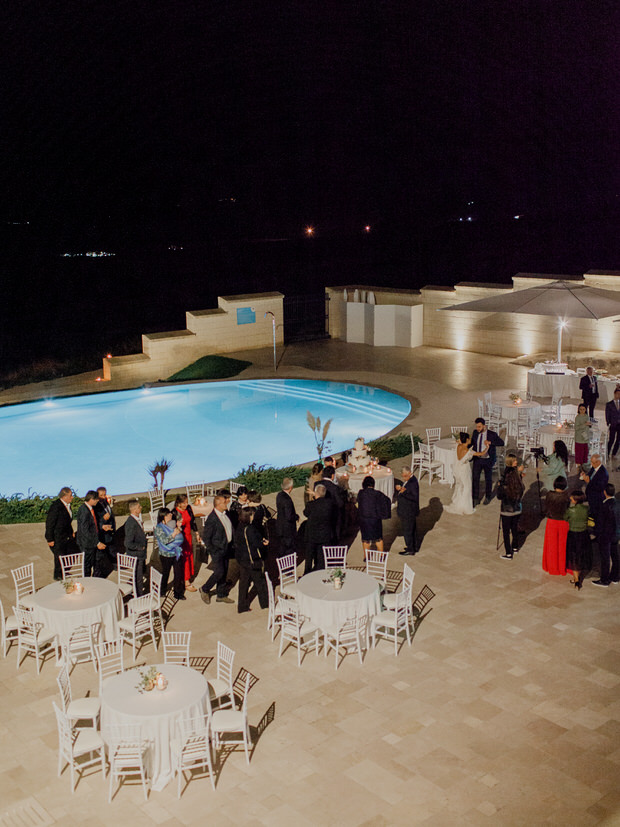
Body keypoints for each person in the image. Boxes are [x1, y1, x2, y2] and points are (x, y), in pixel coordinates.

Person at [200, 494, 235, 604]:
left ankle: (221, 594)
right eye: (225, 502)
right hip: (217, 550)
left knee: (224, 572)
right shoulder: (212, 519)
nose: (227, 503)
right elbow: (206, 537)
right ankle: (205, 588)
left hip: (226, 548)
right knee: (219, 572)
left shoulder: (225, 514)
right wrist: (213, 550)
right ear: (219, 504)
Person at [234, 507, 269, 613]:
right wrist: (264, 542)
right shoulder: (250, 529)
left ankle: (242, 606)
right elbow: (257, 544)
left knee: (243, 583)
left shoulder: (239, 526)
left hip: (242, 560)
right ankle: (265, 604)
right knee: (260, 582)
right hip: (252, 560)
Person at [303, 483, 337, 573]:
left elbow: (305, 513)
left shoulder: (311, 504)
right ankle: (320, 572)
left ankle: (307, 573)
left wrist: (313, 496)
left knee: (309, 556)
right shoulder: (329, 504)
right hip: (324, 534)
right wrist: (317, 494)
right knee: (322, 557)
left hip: (312, 535)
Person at [470, 417, 504, 505]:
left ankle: (488, 497)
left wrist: (490, 443)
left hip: (488, 460)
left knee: (488, 479)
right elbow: (472, 443)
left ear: (484, 426)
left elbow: (501, 443)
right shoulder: (475, 433)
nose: (477, 429)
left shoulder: (492, 434)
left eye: (479, 427)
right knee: (475, 478)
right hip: (478, 459)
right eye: (477, 427)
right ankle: (475, 498)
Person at [153, 507, 185, 600]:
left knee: (178, 573)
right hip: (166, 555)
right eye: (168, 514)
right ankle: (162, 590)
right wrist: (174, 534)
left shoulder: (172, 523)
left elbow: (178, 532)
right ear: (163, 517)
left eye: (170, 513)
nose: (170, 515)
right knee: (165, 573)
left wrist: (179, 528)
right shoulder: (159, 528)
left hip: (176, 553)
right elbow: (164, 541)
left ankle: (178, 593)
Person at [356, 475, 392, 557]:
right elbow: (387, 500)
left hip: (364, 520)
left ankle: (366, 556)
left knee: (365, 539)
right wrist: (383, 513)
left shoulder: (361, 493)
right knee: (378, 538)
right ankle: (381, 556)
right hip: (375, 519)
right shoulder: (377, 494)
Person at [498, 455, 525, 560]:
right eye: (514, 461)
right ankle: (515, 547)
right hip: (517, 507)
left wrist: (500, 486)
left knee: (506, 531)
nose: (516, 462)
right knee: (514, 528)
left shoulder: (506, 480)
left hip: (507, 509)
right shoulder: (517, 479)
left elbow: (500, 496)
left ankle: (508, 553)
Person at [592, 483, 619, 587]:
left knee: (605, 558)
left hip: (606, 536)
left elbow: (600, 523)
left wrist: (596, 534)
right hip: (616, 534)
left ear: (605, 492)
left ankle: (604, 580)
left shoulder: (604, 506)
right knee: (615, 555)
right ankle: (615, 577)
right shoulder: (618, 504)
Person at [45, 486, 75, 580]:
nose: (72, 497)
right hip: (57, 537)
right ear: (64, 496)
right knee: (59, 557)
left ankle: (63, 572)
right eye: (70, 495)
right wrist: (50, 539)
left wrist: (71, 532)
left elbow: (67, 522)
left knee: (66, 555)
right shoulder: (56, 507)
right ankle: (58, 576)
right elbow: (50, 523)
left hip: (65, 536)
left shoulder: (67, 506)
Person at [542, 477, 570, 576]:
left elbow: (545, 508)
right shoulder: (567, 496)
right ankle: (562, 567)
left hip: (552, 522)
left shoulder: (549, 495)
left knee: (552, 545)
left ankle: (552, 567)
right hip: (563, 523)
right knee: (563, 546)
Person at [171, 493, 197, 593]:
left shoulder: (188, 509)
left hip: (188, 536)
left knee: (190, 557)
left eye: (186, 502)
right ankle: (186, 581)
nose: (186, 504)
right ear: (179, 503)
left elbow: (193, 521)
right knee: (184, 559)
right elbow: (171, 528)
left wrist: (197, 533)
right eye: (184, 503)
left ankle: (187, 577)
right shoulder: (174, 513)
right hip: (181, 539)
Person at [564, 490, 590, 589]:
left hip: (573, 534)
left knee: (573, 556)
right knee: (581, 554)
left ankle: (576, 579)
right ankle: (578, 577)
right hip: (583, 534)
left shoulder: (570, 510)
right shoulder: (587, 509)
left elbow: (565, 518)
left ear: (575, 500)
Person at [76, 490, 106, 578]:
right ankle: (88, 582)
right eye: (97, 499)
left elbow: (92, 525)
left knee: (97, 562)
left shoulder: (89, 509)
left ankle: (96, 579)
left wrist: (102, 527)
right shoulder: (84, 511)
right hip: (87, 544)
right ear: (92, 499)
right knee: (87, 566)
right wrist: (97, 543)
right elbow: (85, 531)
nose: (98, 501)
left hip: (91, 542)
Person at [444, 433, 474, 515]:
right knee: (467, 486)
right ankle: (465, 506)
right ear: (467, 439)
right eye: (469, 438)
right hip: (465, 469)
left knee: (460, 485)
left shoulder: (459, 446)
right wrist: (486, 449)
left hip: (459, 469)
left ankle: (458, 503)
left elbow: (459, 443)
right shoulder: (467, 450)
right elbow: (480, 453)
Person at [124, 498, 148, 595]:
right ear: (134, 510)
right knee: (138, 577)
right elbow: (128, 543)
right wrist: (140, 547)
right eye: (139, 507)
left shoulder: (135, 520)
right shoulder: (131, 523)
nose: (141, 507)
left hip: (139, 555)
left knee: (139, 575)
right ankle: (139, 596)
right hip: (136, 555)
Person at [580, 454, 609, 531]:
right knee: (592, 512)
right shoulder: (594, 467)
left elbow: (600, 487)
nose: (591, 464)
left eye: (593, 462)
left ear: (598, 462)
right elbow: (590, 475)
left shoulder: (603, 473)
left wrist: (589, 482)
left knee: (597, 516)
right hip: (591, 495)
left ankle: (597, 532)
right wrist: (585, 476)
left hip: (597, 498)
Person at [396, 466, 419, 556]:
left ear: (409, 473)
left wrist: (403, 491)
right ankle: (413, 546)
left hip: (408, 511)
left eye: (405, 476)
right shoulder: (410, 481)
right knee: (410, 529)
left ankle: (410, 549)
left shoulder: (412, 483)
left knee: (408, 530)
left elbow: (414, 497)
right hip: (408, 510)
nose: (403, 478)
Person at [94, 486, 115, 577]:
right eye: (101, 495)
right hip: (102, 532)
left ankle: (114, 565)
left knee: (111, 549)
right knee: (101, 554)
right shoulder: (96, 506)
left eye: (104, 494)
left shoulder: (106, 502)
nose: (103, 497)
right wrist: (103, 519)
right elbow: (95, 521)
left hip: (109, 530)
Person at [276, 477, 298, 557]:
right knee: (289, 549)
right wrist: (296, 517)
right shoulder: (287, 500)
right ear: (291, 487)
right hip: (288, 529)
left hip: (280, 526)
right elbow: (289, 516)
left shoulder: (279, 495)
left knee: (282, 548)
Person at [605, 387, 620, 463]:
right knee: (611, 439)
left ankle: (614, 453)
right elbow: (607, 415)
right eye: (617, 394)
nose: (618, 396)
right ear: (614, 394)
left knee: (618, 440)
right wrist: (608, 423)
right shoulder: (609, 404)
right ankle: (607, 453)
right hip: (613, 424)